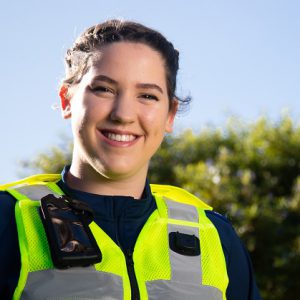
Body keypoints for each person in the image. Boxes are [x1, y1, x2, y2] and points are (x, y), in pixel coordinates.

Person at [0, 19, 261, 300]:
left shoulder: (216, 236)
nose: (123, 114)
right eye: (104, 89)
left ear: (170, 114)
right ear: (67, 99)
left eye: (147, 95)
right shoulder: (7, 218)